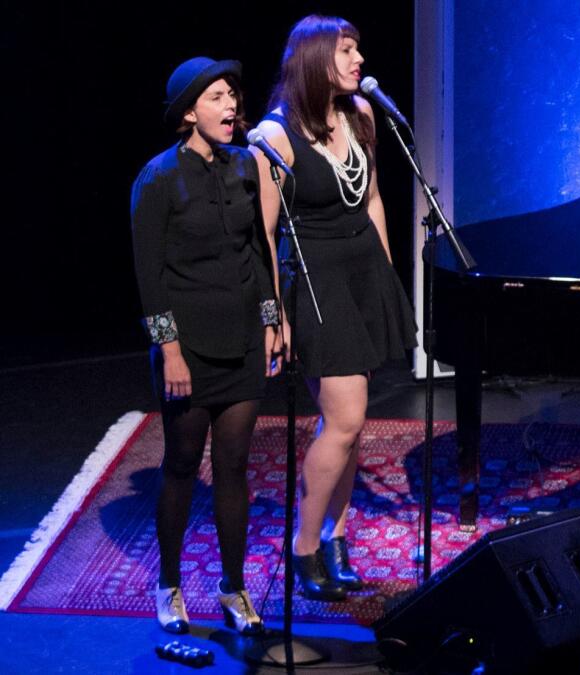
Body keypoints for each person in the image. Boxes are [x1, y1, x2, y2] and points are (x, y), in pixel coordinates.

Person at [252, 15, 418, 601]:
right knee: (345, 420)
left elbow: (371, 197)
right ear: (318, 59)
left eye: (358, 50)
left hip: (363, 274)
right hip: (317, 284)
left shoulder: (361, 115)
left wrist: (388, 276)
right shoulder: (273, 136)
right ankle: (303, 548)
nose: (359, 61)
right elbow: (265, 235)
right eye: (347, 51)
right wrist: (276, 316)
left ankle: (336, 537)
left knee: (349, 425)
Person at [131, 57, 282, 634]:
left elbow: (256, 251)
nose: (231, 106)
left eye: (234, 96)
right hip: (188, 351)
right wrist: (169, 351)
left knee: (236, 467)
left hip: (243, 341)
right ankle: (169, 584)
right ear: (190, 111)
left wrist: (272, 320)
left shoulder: (245, 166)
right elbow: (149, 276)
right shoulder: (158, 179)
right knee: (182, 465)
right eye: (218, 97)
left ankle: (233, 588)